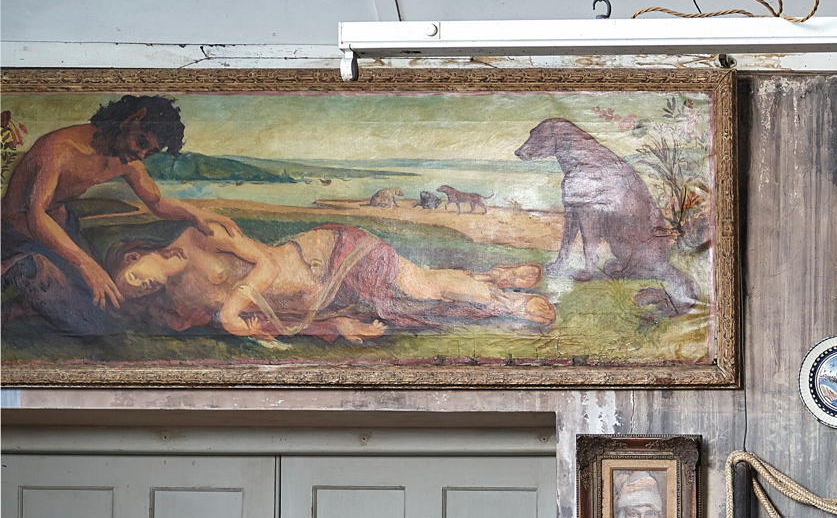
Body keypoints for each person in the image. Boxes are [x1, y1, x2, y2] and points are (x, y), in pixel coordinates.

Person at [1, 94, 238, 336]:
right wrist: (86, 264)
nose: (142, 154)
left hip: (60, 227)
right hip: (17, 231)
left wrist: (194, 213)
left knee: (104, 302)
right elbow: (36, 215)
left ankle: (26, 298)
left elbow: (155, 201)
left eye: (151, 151)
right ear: (131, 120)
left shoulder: (126, 159)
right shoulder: (60, 149)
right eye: (142, 142)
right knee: (91, 322)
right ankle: (24, 268)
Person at [109, 220, 550, 344]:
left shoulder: (199, 235)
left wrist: (231, 307)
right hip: (323, 298)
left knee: (421, 288)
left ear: (135, 255)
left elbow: (265, 264)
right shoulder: (181, 297)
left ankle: (506, 302)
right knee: (412, 299)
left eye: (133, 276)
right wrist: (336, 327)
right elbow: (267, 324)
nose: (144, 284)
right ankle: (492, 278)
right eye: (139, 290)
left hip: (325, 253)